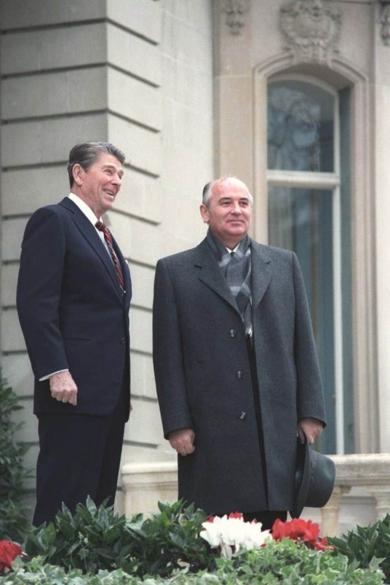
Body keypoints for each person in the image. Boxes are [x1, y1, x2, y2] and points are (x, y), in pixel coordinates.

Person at [152, 176, 326, 530]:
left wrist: (311, 411)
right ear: (205, 212)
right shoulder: (174, 272)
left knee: (271, 544)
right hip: (209, 431)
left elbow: (303, 342)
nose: (236, 210)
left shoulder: (284, 264)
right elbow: (167, 356)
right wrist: (176, 423)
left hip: (274, 430)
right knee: (215, 543)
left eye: (243, 203)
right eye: (226, 202)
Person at [17, 141, 131, 526]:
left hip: (108, 400)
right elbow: (36, 302)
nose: (117, 181)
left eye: (120, 174)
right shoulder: (54, 220)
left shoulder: (104, 235)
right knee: (61, 510)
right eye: (108, 171)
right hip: (70, 394)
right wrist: (56, 370)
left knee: (97, 517)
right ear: (78, 173)